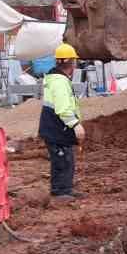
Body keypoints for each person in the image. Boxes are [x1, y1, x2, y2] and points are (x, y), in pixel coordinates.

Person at [39, 43, 85, 199]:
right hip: (56, 128)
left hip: (56, 128)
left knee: (66, 160)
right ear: (71, 62)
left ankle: (65, 190)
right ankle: (60, 193)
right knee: (62, 161)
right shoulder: (59, 81)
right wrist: (76, 125)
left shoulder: (56, 78)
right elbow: (63, 109)